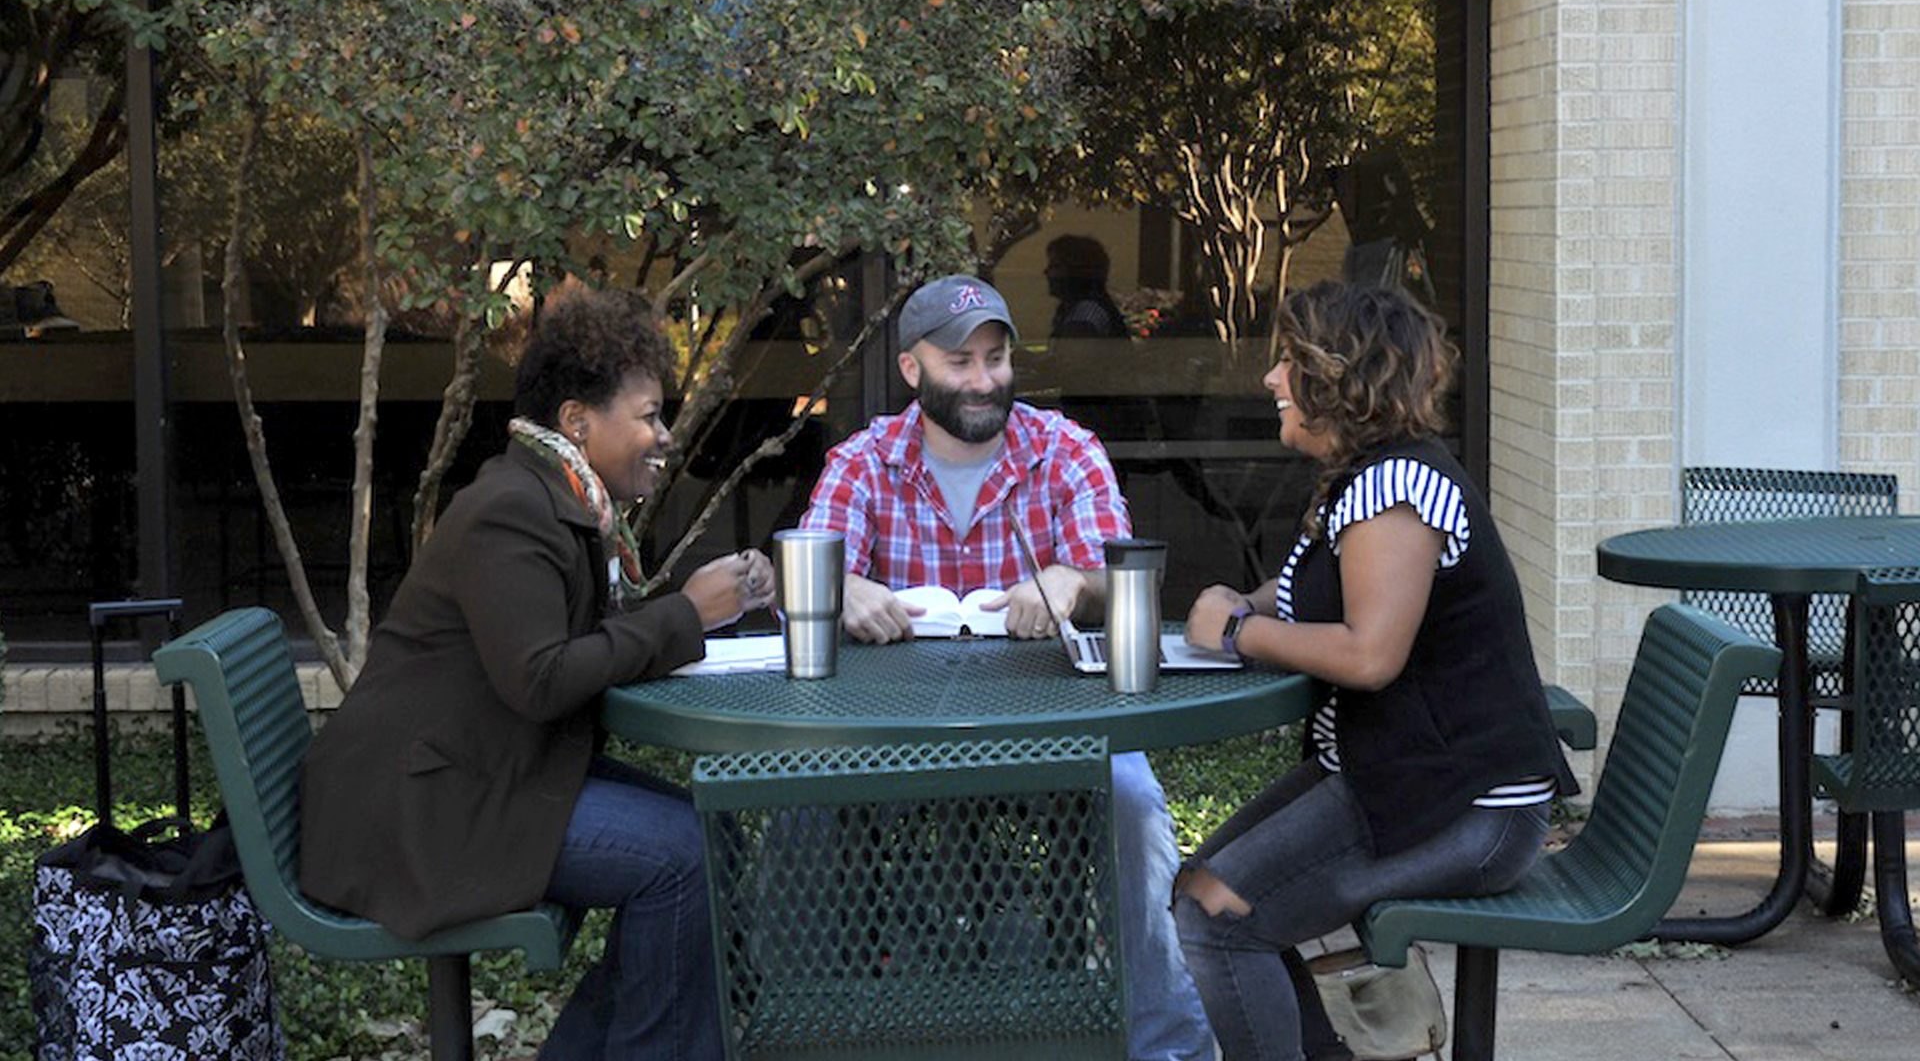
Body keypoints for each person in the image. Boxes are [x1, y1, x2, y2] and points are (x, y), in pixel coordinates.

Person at [300, 287, 774, 1061]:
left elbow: (573, 648)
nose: (663, 438)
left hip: (487, 775)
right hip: (429, 810)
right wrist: (686, 612)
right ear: (577, 423)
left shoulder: (558, 501)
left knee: (710, 836)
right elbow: (541, 679)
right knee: (682, 860)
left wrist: (685, 610)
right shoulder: (511, 511)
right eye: (649, 416)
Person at [798, 274, 1216, 1061]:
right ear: (912, 369)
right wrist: (844, 587)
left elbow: (1124, 576)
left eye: (996, 357)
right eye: (960, 361)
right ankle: (817, 1032)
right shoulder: (863, 461)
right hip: (893, 737)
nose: (985, 379)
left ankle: (1166, 1045)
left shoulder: (1063, 448)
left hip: (1057, 729)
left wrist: (1076, 581)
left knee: (1132, 802)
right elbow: (809, 578)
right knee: (799, 806)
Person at [1172, 280, 1574, 1061]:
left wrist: (1242, 632)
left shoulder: (1396, 489)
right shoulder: (1371, 478)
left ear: (1340, 379)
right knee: (1204, 889)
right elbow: (1323, 591)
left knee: (1220, 916)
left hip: (1470, 811)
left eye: (1288, 361)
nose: (1271, 380)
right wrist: (1240, 604)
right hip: (1403, 781)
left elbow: (1369, 655)